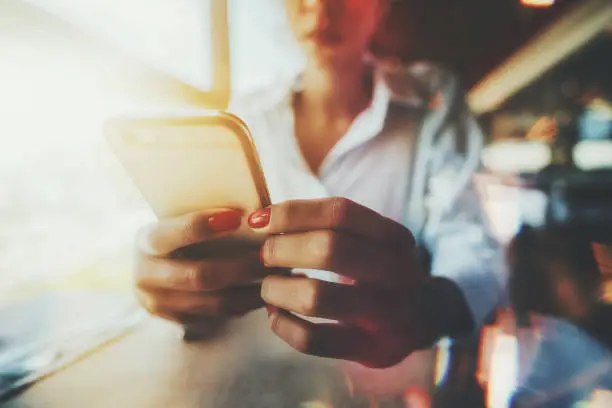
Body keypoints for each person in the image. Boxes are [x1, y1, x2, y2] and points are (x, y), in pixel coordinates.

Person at [134, 0, 502, 369]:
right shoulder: (246, 118)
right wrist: (180, 271)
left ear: (381, 8)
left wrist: (430, 308)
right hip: (261, 369)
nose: (322, 10)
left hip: (389, 375)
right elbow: (205, 245)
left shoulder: (431, 100)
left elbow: (469, 240)